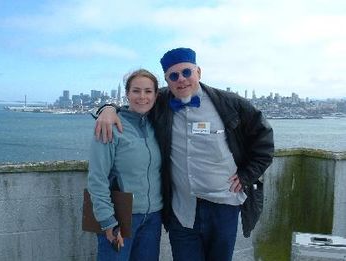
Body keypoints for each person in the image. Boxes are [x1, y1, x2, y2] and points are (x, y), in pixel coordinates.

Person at [95, 48, 274, 261]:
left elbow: (264, 141)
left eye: (186, 72)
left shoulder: (230, 103)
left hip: (224, 205)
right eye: (174, 76)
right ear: (167, 80)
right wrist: (107, 108)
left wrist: (246, 175)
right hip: (182, 209)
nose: (181, 80)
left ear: (198, 71)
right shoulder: (160, 102)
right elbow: (136, 102)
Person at [88, 69, 163, 261]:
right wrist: (107, 221)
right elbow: (97, 178)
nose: (142, 97)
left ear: (156, 94)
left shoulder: (157, 124)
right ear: (127, 94)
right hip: (120, 216)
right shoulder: (110, 126)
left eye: (148, 91)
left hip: (153, 217)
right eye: (136, 91)